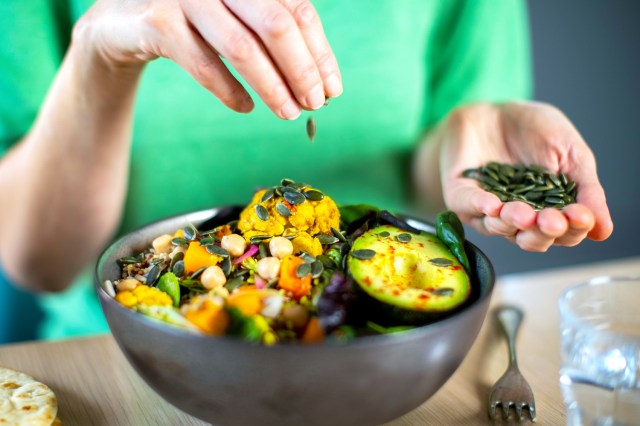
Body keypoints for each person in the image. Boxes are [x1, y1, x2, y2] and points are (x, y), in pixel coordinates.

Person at [0, 0, 613, 340]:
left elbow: (431, 185)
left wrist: (461, 139)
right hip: (125, 358)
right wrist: (99, 54)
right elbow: (40, 262)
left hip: (383, 348)